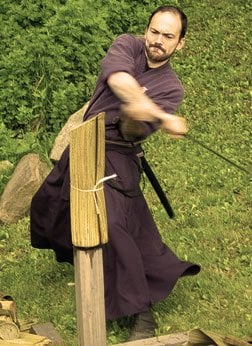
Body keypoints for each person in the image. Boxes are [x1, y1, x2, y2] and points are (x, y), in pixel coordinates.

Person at [30, 5, 200, 341]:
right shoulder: (127, 44)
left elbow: (133, 130)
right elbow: (119, 79)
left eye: (168, 36)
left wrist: (140, 115)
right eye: (155, 32)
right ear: (146, 30)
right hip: (83, 140)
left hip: (119, 153)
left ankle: (141, 312)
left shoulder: (171, 87)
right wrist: (160, 115)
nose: (158, 41)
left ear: (180, 44)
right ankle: (90, 268)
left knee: (112, 224)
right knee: (50, 205)